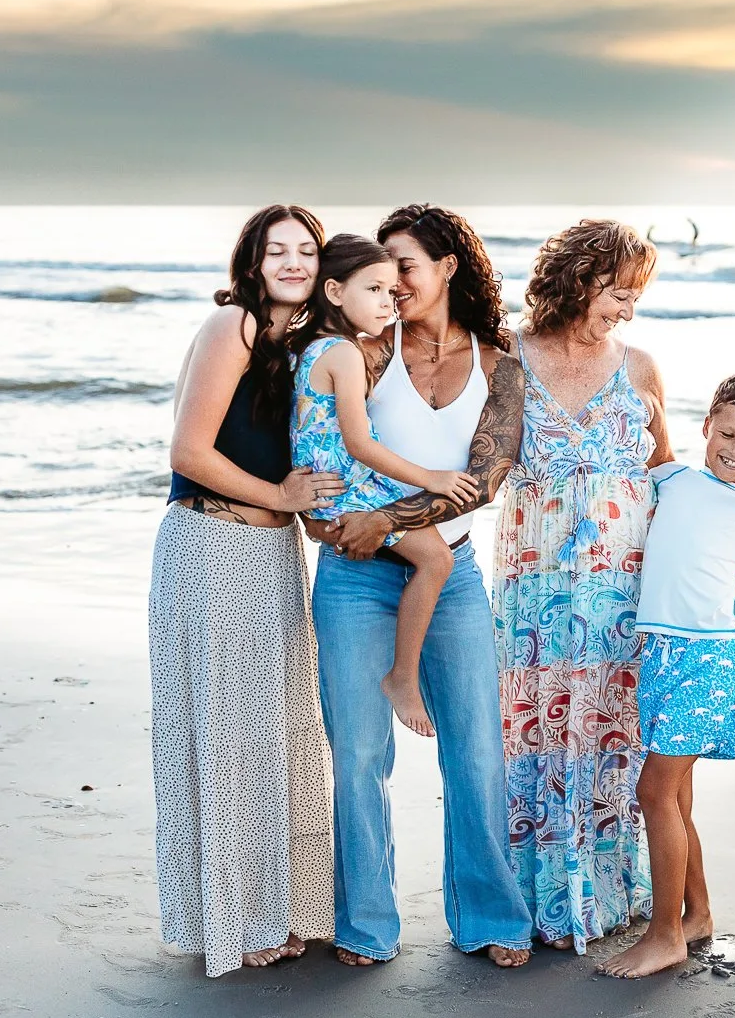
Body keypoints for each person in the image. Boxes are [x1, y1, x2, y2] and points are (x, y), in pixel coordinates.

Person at [305, 205, 535, 970]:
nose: (394, 281)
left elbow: (485, 478)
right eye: (383, 267)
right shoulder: (367, 350)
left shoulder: (501, 361)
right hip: (354, 578)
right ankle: (366, 924)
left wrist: (384, 518)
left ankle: (490, 916)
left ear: (447, 268)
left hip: (454, 575)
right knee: (360, 754)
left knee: (476, 752)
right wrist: (338, 518)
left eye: (405, 264)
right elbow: (324, 439)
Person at [150, 204, 343, 976]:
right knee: (230, 738)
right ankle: (238, 917)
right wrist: (282, 494)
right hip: (212, 543)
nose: (293, 262)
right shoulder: (231, 327)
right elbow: (189, 451)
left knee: (276, 730)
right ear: (253, 260)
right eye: (278, 250)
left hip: (271, 553)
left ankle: (281, 906)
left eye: (307, 250)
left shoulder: (306, 348)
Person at [600, 375, 735, 978]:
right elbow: (642, 445)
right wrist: (643, 406)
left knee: (653, 792)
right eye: (727, 433)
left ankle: (665, 934)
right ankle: (696, 914)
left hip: (711, 659)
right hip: (661, 653)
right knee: (674, 797)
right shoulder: (671, 480)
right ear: (706, 427)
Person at [495, 219, 672, 953]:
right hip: (533, 594)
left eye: (635, 296)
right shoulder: (510, 358)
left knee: (608, 735)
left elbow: (667, 470)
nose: (627, 308)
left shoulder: (641, 369)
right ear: (577, 277)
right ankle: (530, 900)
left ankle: (604, 894)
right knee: (531, 734)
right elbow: (474, 463)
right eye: (619, 291)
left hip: (618, 594)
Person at [287, 235, 480, 736]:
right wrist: (430, 477)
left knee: (432, 558)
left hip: (330, 491)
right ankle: (402, 676)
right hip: (351, 487)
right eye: (374, 289)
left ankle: (403, 673)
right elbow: (358, 442)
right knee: (438, 559)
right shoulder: (345, 354)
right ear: (333, 291)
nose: (388, 304)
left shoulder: (310, 350)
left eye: (393, 291)